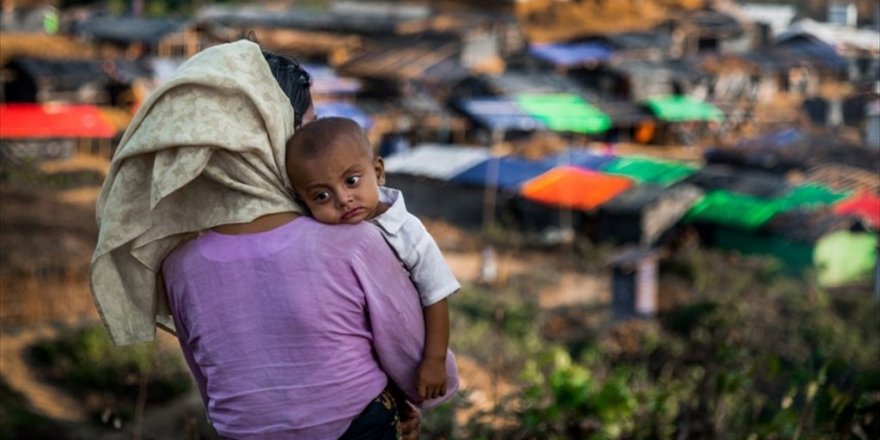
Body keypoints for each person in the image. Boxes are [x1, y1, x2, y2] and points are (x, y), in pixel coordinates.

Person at [90, 40, 456, 439]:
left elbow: (210, 380)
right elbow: (412, 358)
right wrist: (422, 393)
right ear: (266, 133)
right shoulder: (354, 242)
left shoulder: (179, 266)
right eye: (304, 128)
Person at [285, 117, 461, 402]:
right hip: (357, 366)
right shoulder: (318, 238)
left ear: (378, 171)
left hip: (410, 356)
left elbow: (436, 295)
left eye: (351, 181)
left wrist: (435, 360)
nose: (343, 199)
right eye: (321, 195)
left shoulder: (408, 232)